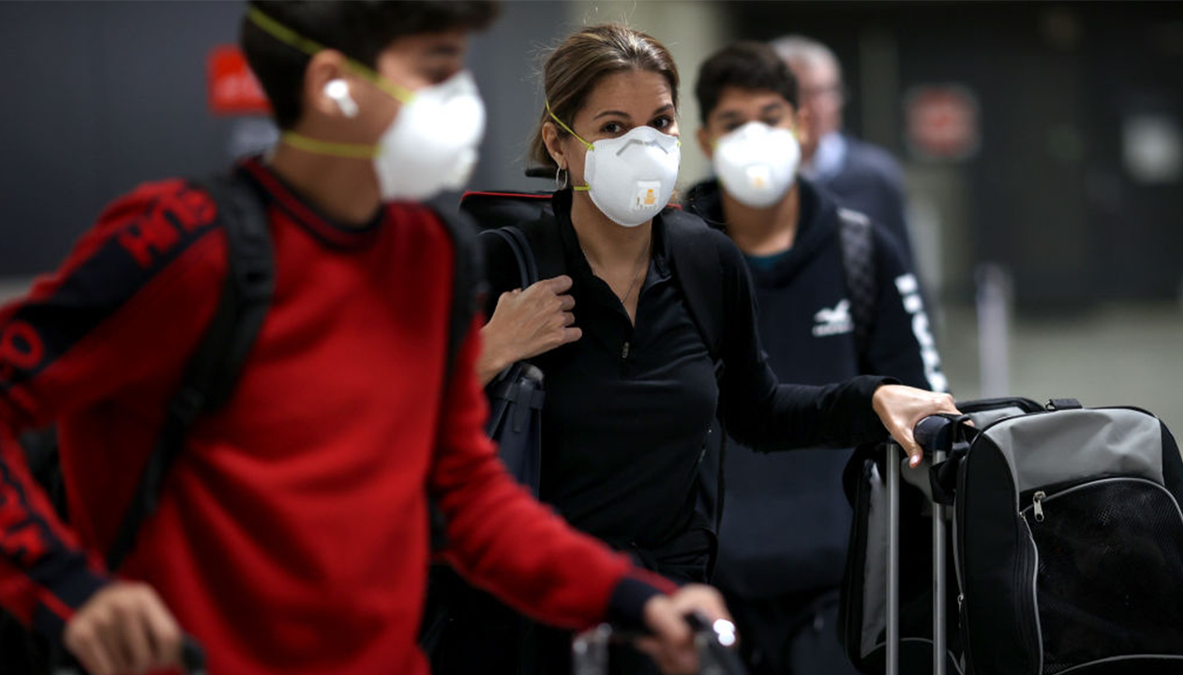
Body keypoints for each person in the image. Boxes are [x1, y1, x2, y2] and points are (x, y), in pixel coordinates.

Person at [0, 3, 734, 674]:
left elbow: (468, 494)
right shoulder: (185, 243)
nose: (462, 97)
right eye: (438, 69)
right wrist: (68, 584)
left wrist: (633, 598)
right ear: (333, 86)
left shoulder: (431, 252)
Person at [469, 22, 960, 675]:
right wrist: (485, 354)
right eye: (614, 127)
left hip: (671, 619)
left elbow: (757, 411)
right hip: (532, 616)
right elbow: (406, 433)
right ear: (560, 142)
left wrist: (871, 397)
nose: (643, 145)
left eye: (660, 121)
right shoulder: (503, 263)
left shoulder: (705, 260)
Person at [684, 42, 947, 675]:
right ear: (704, 138)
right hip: (707, 583)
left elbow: (922, 399)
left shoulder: (862, 250)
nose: (754, 136)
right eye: (733, 123)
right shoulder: (674, 255)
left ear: (802, 125)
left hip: (844, 581)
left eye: (770, 117)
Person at [771, 35, 915, 265]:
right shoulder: (749, 175)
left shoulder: (875, 175)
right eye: (803, 93)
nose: (818, 105)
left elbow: (904, 267)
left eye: (828, 91)